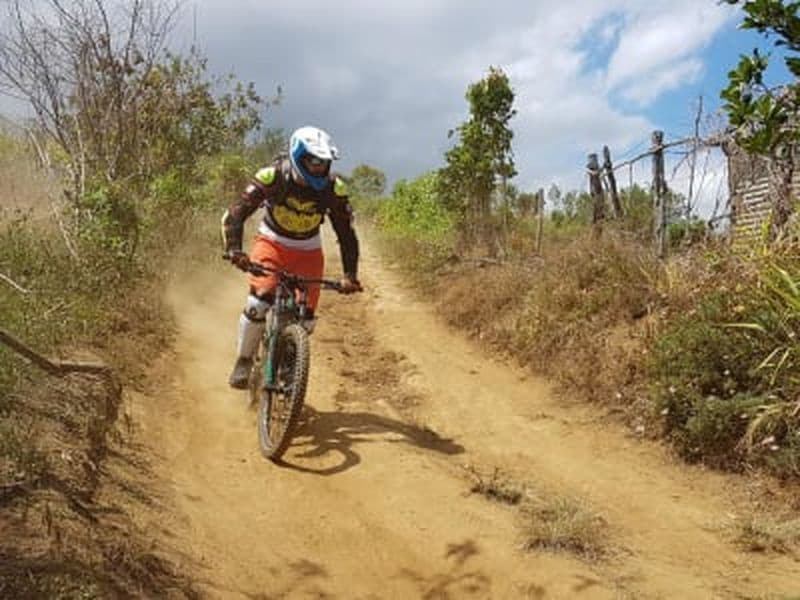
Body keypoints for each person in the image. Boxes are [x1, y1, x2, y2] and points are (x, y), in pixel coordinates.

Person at [221, 126, 362, 389]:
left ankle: (290, 364)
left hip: (308, 250)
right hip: (271, 243)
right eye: (314, 161)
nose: (319, 168)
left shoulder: (334, 189)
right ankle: (243, 360)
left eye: (324, 162)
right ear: (298, 156)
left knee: (306, 317)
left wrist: (350, 275)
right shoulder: (272, 177)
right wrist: (235, 250)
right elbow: (235, 215)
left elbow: (346, 235)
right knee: (259, 302)